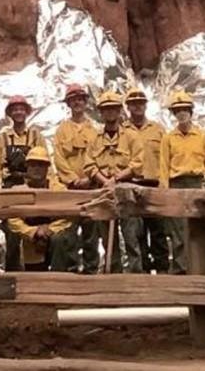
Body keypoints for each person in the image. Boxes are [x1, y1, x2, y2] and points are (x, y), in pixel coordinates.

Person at [158, 90, 205, 273]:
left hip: (196, 184)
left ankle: (201, 268)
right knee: (178, 231)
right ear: (174, 114)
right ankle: (180, 269)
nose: (181, 113)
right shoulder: (168, 139)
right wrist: (165, 192)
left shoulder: (202, 137)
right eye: (177, 110)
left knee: (200, 227)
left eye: (184, 109)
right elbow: (163, 166)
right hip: (177, 184)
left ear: (190, 111)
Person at [83, 91, 144, 273]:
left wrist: (116, 178)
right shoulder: (94, 139)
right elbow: (89, 165)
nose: (110, 113)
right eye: (106, 109)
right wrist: (105, 181)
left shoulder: (131, 136)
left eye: (113, 109)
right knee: (107, 237)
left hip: (126, 190)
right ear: (101, 113)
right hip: (104, 191)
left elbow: (137, 163)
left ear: (119, 111)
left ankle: (135, 274)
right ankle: (113, 272)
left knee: (131, 235)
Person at [0, 95, 48, 271]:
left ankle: (37, 273)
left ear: (26, 112)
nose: (18, 112)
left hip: (33, 189)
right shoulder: (3, 138)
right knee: (12, 232)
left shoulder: (35, 135)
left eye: (21, 109)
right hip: (10, 190)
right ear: (10, 113)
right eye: (15, 109)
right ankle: (13, 273)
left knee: (35, 232)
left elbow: (45, 161)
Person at [52, 84, 100, 274]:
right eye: (73, 100)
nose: (77, 102)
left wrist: (89, 179)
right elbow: (58, 157)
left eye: (80, 99)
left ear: (85, 102)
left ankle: (91, 269)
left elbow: (98, 156)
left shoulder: (95, 131)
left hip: (90, 189)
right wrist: (72, 180)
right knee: (69, 231)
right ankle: (71, 269)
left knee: (91, 232)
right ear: (69, 104)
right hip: (69, 190)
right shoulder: (62, 130)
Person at [123, 88, 169, 273]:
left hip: (154, 184)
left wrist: (165, 184)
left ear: (146, 105)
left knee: (158, 230)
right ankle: (142, 269)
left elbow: (166, 158)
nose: (137, 107)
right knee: (137, 231)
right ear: (128, 107)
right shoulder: (123, 131)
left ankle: (163, 267)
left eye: (141, 103)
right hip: (133, 184)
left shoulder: (158, 130)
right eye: (133, 104)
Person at [6, 147, 73, 272]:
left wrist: (48, 230)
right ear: (27, 166)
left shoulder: (59, 190)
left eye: (41, 165)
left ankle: (58, 279)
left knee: (60, 239)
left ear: (47, 168)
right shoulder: (18, 192)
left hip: (53, 238)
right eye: (33, 165)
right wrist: (34, 232)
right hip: (30, 241)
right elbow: (12, 220)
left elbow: (67, 216)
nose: (37, 168)